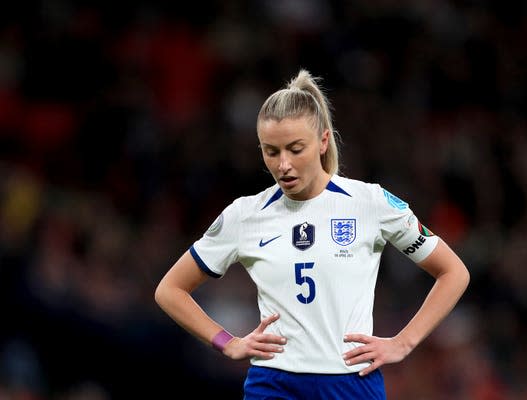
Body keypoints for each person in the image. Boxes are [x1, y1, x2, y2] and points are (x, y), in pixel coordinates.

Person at [154, 69, 470, 399]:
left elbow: (453, 272)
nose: (283, 165)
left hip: (351, 382)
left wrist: (404, 342)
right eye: (271, 151)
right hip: (273, 383)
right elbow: (170, 289)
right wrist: (228, 343)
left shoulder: (370, 203)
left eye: (295, 148)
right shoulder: (244, 215)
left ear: (323, 141)